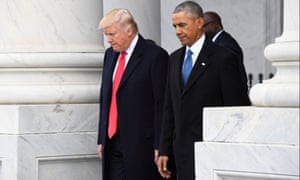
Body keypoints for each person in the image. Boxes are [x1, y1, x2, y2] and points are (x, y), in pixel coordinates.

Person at [157, 1, 251, 180]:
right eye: (175, 26)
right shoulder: (174, 59)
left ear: (199, 22)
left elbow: (237, 108)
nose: (177, 31)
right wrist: (164, 149)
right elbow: (169, 107)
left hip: (213, 152)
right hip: (181, 154)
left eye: (182, 25)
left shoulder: (224, 58)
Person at [97, 9, 169, 180]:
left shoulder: (155, 56)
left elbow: (162, 104)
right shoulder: (110, 55)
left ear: (129, 31)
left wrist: (161, 144)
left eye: (112, 34)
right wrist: (102, 137)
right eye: (106, 35)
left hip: (141, 143)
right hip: (112, 141)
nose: (109, 40)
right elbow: (106, 97)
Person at [203, 11, 248, 85]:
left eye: (203, 26)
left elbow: (229, 76)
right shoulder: (218, 42)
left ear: (215, 25)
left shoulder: (225, 45)